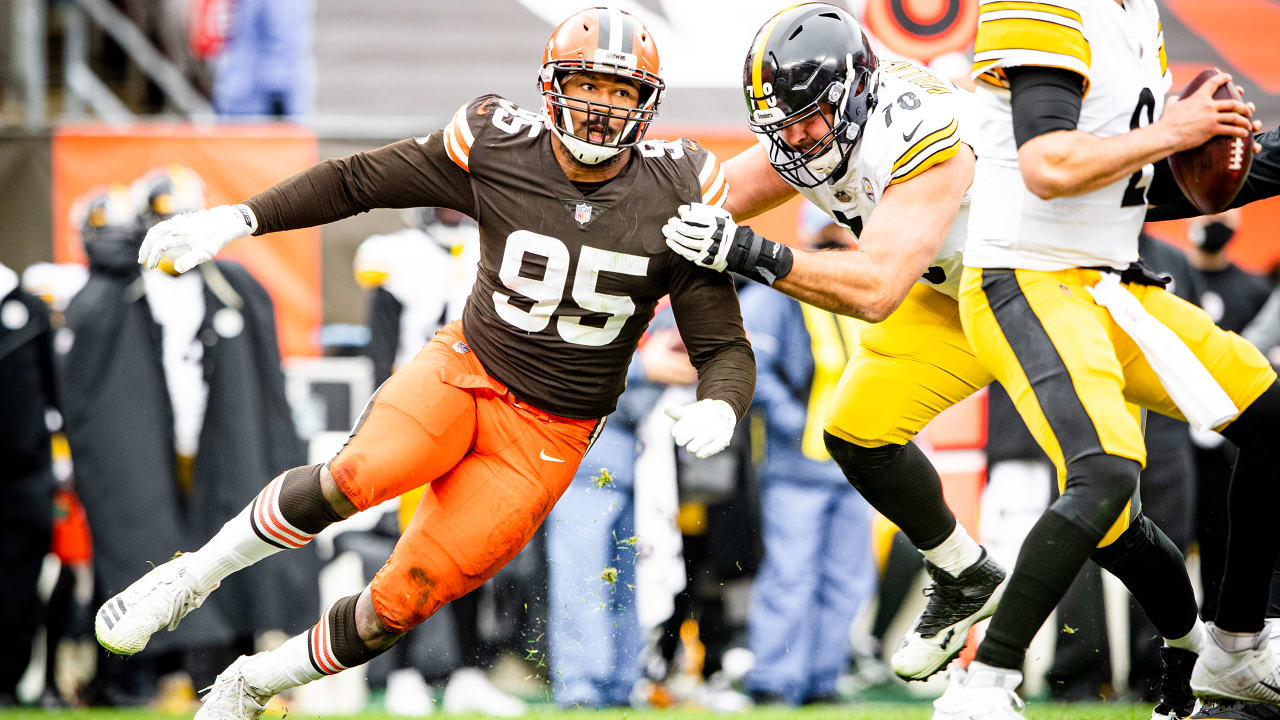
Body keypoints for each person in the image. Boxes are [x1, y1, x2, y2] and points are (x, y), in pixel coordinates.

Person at [94, 8, 755, 719]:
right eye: (589, 85)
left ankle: (251, 685)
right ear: (551, 86)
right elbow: (357, 181)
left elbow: (722, 345)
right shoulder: (500, 143)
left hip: (549, 436)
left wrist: (722, 400)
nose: (601, 109)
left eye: (621, 93)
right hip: (465, 372)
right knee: (351, 479)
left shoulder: (678, 190)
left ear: (647, 104)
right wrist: (240, 218)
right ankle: (190, 579)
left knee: (400, 601)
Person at [662, 8, 1204, 713]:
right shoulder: (813, 124)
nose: (794, 140)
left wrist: (748, 252)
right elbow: (702, 195)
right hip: (951, 292)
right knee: (856, 428)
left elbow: (879, 287)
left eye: (808, 120)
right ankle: (961, 571)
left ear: (857, 94)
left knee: (1103, 505)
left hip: (1032, 284)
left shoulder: (918, 130)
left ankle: (1193, 649)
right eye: (780, 124)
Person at [929, 0, 1278, 715]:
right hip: (1027, 273)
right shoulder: (1054, 4)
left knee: (1275, 423)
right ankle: (983, 684)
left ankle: (1235, 650)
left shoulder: (1132, 15)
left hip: (1111, 276)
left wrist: (1226, 151)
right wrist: (1176, 130)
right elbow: (1049, 163)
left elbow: (1137, 188)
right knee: (1107, 473)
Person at [738, 206, 876, 706]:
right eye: (829, 233)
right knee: (791, 573)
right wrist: (800, 427)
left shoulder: (865, 290)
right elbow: (754, 366)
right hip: (797, 465)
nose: (838, 242)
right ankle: (774, 678)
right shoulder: (775, 296)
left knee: (847, 577)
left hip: (857, 465)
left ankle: (823, 679)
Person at [0, 259, 58, 707]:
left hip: (24, 477)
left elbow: (56, 395)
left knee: (22, 583)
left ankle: (12, 680)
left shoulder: (28, 310)